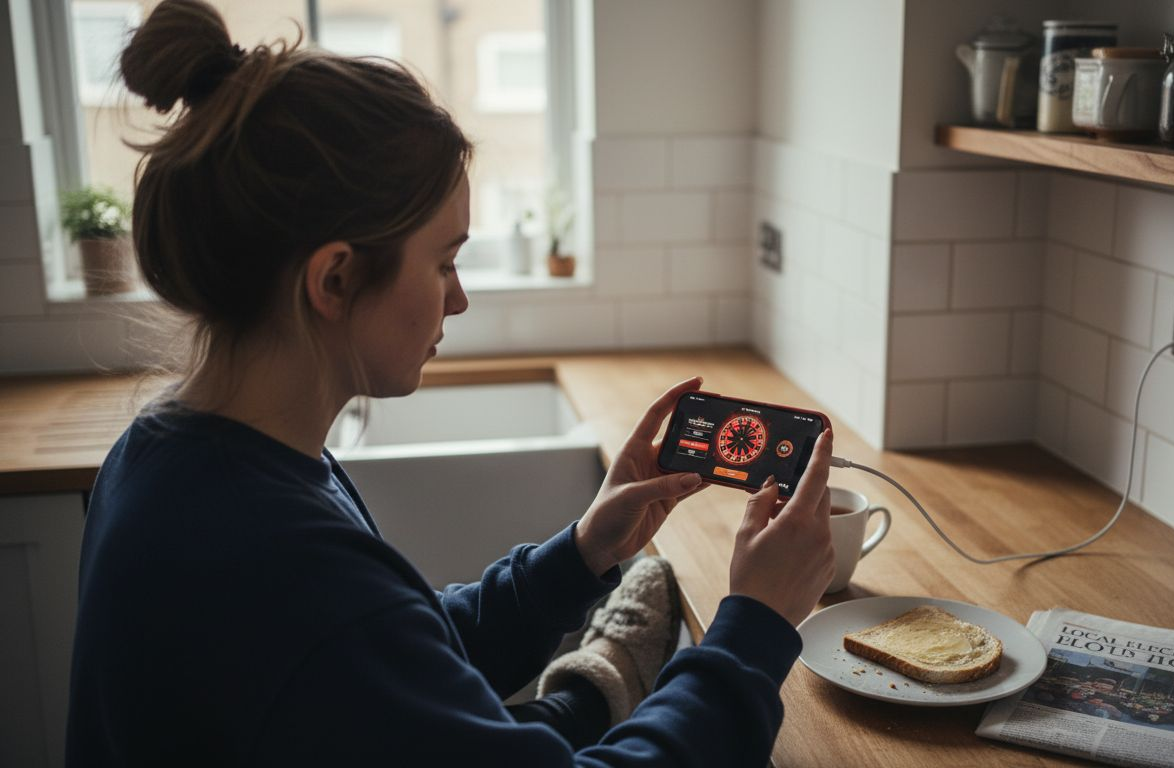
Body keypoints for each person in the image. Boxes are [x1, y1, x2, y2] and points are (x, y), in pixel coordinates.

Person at [64, 2, 836, 765]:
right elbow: (356, 634)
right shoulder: (282, 563)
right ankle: (599, 689)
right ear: (334, 279)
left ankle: (594, 691)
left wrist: (579, 555)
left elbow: (390, 658)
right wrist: (755, 626)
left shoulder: (165, 454)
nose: (458, 299)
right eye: (443, 262)